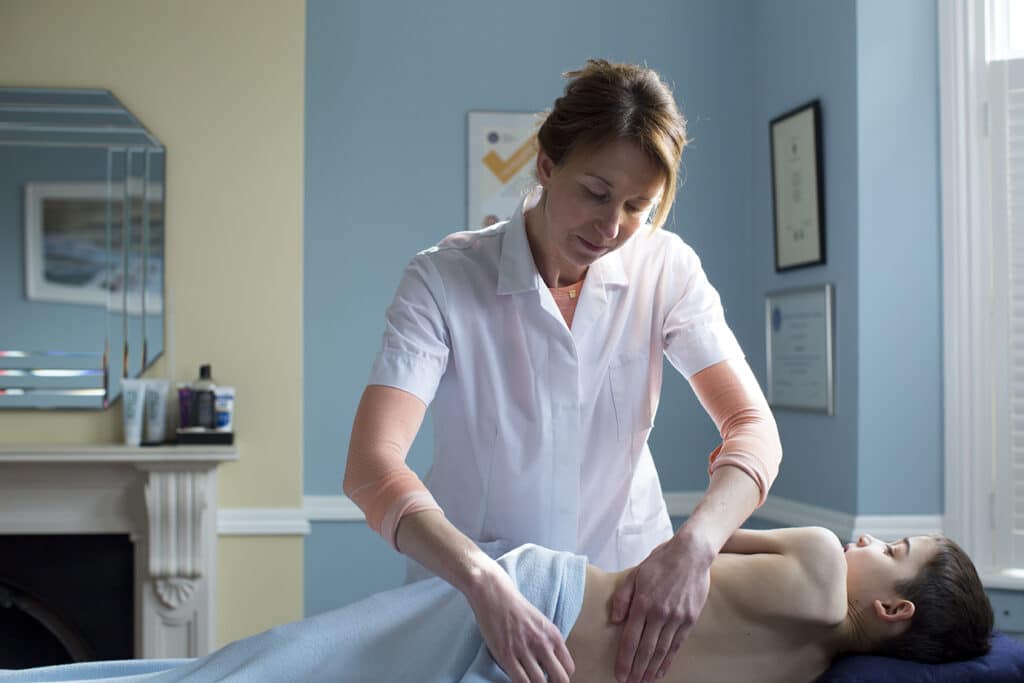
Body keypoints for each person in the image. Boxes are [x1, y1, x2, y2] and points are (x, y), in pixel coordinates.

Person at [343, 59, 783, 683]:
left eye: (638, 206)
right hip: (478, 606)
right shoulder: (443, 278)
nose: (610, 229)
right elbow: (371, 464)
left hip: (627, 609)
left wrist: (695, 547)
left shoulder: (667, 270)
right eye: (596, 194)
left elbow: (752, 427)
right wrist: (481, 581)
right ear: (548, 165)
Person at [0, 527, 993, 683]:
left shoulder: (818, 553)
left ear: (898, 609)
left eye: (895, 551)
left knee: (267, 666)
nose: (869, 540)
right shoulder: (802, 672)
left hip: (543, 601)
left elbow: (683, 547)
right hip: (522, 650)